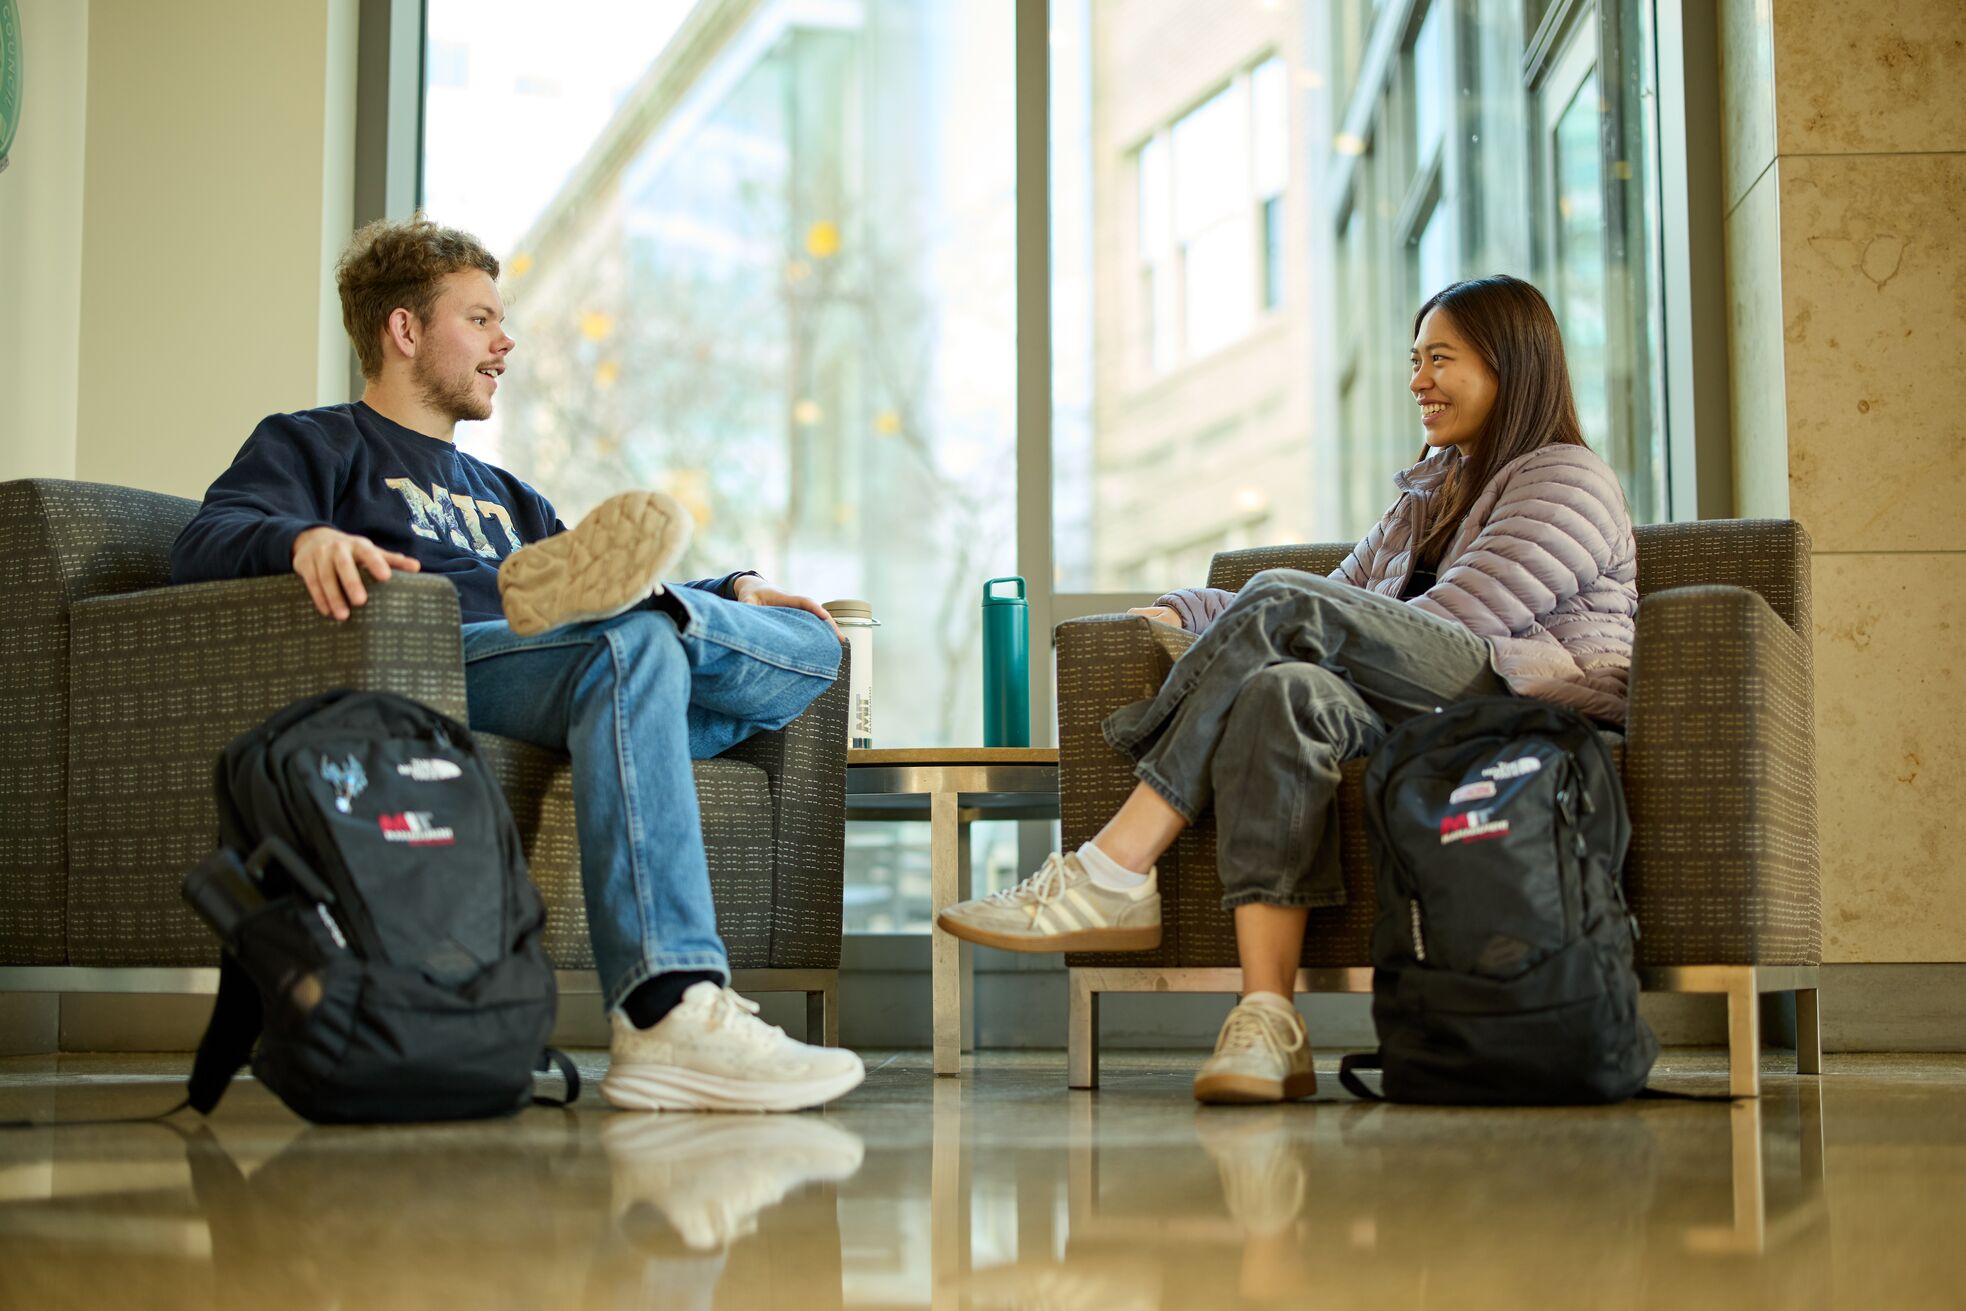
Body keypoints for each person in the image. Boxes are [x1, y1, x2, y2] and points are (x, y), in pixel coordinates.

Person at [170, 215, 865, 1113]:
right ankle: (666, 1010)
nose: (506, 343)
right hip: (446, 663)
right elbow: (203, 540)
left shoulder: (510, 498)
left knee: (812, 642)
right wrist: (303, 538)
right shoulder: (317, 444)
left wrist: (736, 585)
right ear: (405, 329)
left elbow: (591, 581)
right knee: (630, 640)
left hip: (570, 659)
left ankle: (679, 612)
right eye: (481, 320)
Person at [937, 274, 1638, 1105]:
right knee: (1283, 693)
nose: (1418, 380)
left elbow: (1457, 620)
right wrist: (1185, 609)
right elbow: (1336, 599)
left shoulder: (1567, 478)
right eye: (1415, 360)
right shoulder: (1427, 497)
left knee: (1285, 609)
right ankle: (1269, 1019)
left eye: (1440, 359)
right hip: (1422, 710)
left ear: (1510, 364)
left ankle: (1114, 866)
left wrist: (1286, 622)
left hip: (1519, 711)